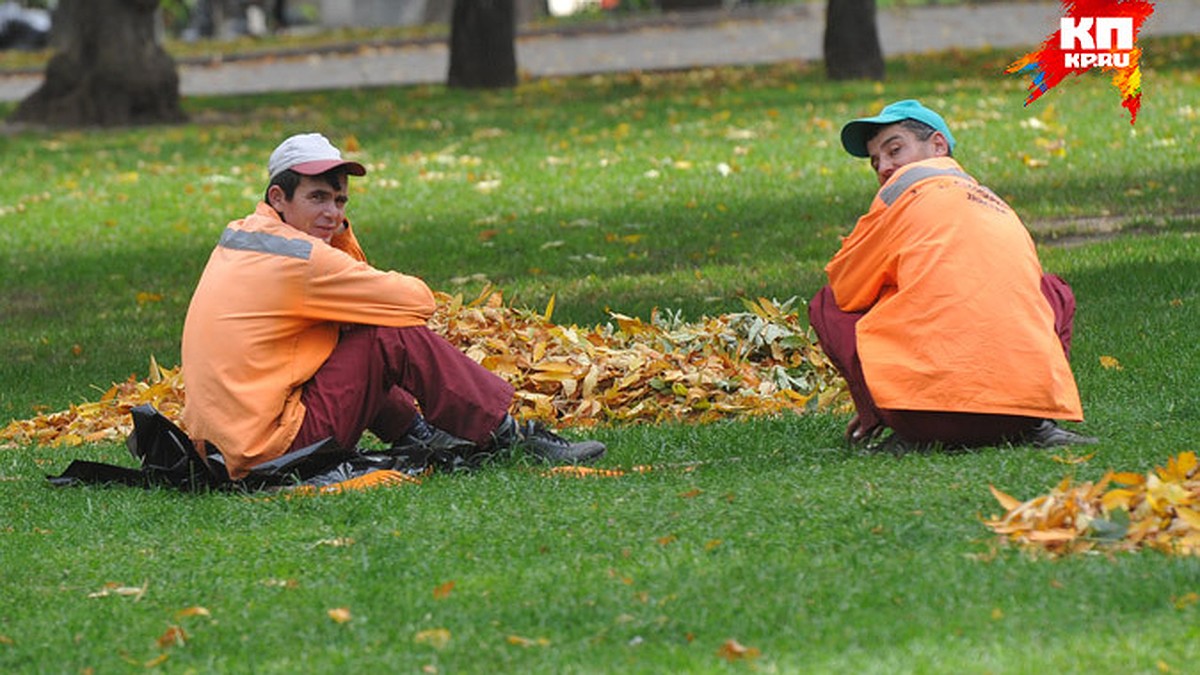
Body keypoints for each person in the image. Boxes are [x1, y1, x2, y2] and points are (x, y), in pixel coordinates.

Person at [181, 132, 605, 480]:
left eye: (340, 202)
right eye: (317, 199)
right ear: (278, 197)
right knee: (387, 333)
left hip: (221, 449)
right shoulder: (298, 259)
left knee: (353, 331)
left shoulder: (243, 235)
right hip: (268, 453)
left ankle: (416, 433)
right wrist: (340, 242)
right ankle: (510, 436)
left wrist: (329, 236)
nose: (332, 213)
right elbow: (417, 303)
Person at [808, 99, 1097, 451]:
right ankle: (1040, 422)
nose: (885, 167)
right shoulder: (998, 205)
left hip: (925, 419)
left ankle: (883, 420)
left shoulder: (900, 193)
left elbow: (846, 290)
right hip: (1017, 415)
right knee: (1051, 290)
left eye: (894, 150)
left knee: (828, 303)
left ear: (938, 146)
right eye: (875, 162)